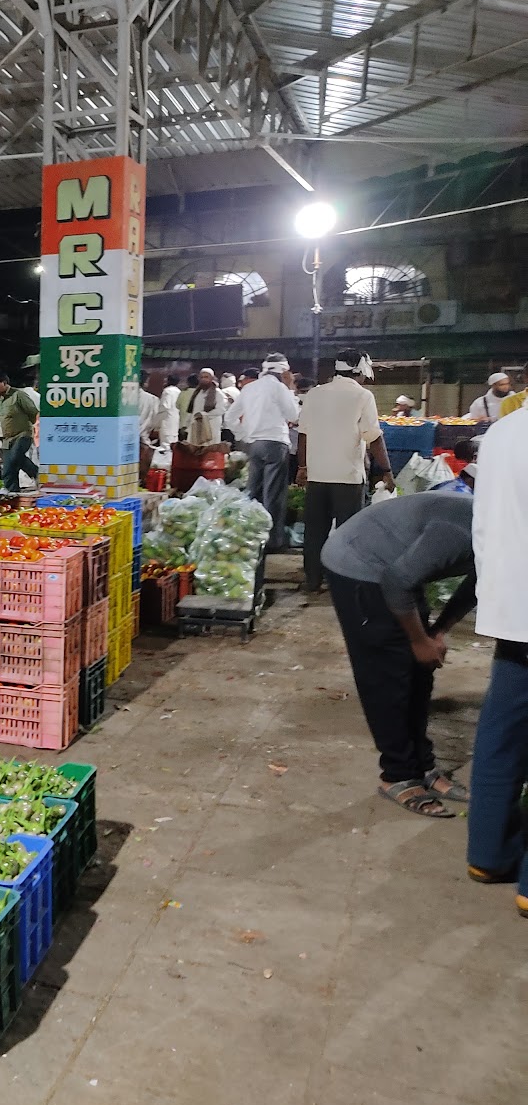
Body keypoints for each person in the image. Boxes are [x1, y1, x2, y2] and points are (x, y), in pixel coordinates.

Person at [324, 492, 477, 816]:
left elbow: (476, 585)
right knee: (388, 676)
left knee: (421, 673)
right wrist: (419, 640)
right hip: (360, 565)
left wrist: (437, 633)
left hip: (400, 567)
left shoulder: (508, 540)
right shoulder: (462, 532)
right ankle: (398, 775)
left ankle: (422, 767)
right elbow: (396, 582)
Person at [463, 407, 528, 913]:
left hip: (510, 608)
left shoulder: (503, 432)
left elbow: (483, 524)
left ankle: (488, 855)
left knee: (502, 735)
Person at [297, 349, 395, 593]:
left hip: (317, 475)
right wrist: (387, 470)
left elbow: (303, 434)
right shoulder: (362, 396)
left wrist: (302, 467)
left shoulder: (314, 394)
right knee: (347, 532)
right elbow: (374, 437)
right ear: (360, 369)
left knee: (314, 531)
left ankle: (312, 580)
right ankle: (343, 583)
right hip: (347, 477)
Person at [230, 353, 298, 552]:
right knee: (273, 495)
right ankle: (273, 541)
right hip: (276, 444)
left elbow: (230, 416)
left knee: (253, 492)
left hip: (254, 445)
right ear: (283, 371)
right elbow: (294, 415)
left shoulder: (249, 388)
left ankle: (251, 536)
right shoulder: (280, 388)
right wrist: (291, 387)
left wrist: (243, 434)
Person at [0, 370, 39, 488]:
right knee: (7, 471)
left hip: (23, 434)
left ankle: (36, 474)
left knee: (16, 457)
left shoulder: (18, 395)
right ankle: (12, 495)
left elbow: (33, 413)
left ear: (4, 383)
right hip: (7, 439)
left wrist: (34, 430)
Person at [185, 367, 228, 446]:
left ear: (212, 378)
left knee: (209, 450)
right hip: (196, 426)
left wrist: (204, 415)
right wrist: (187, 423)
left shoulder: (218, 393)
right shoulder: (197, 393)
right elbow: (192, 410)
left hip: (211, 426)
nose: (204, 379)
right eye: (202, 377)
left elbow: (221, 409)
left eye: (206, 377)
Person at [157, 373, 182, 449]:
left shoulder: (167, 391)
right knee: (173, 444)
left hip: (167, 420)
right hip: (176, 420)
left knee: (165, 444)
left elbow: (165, 406)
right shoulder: (179, 391)